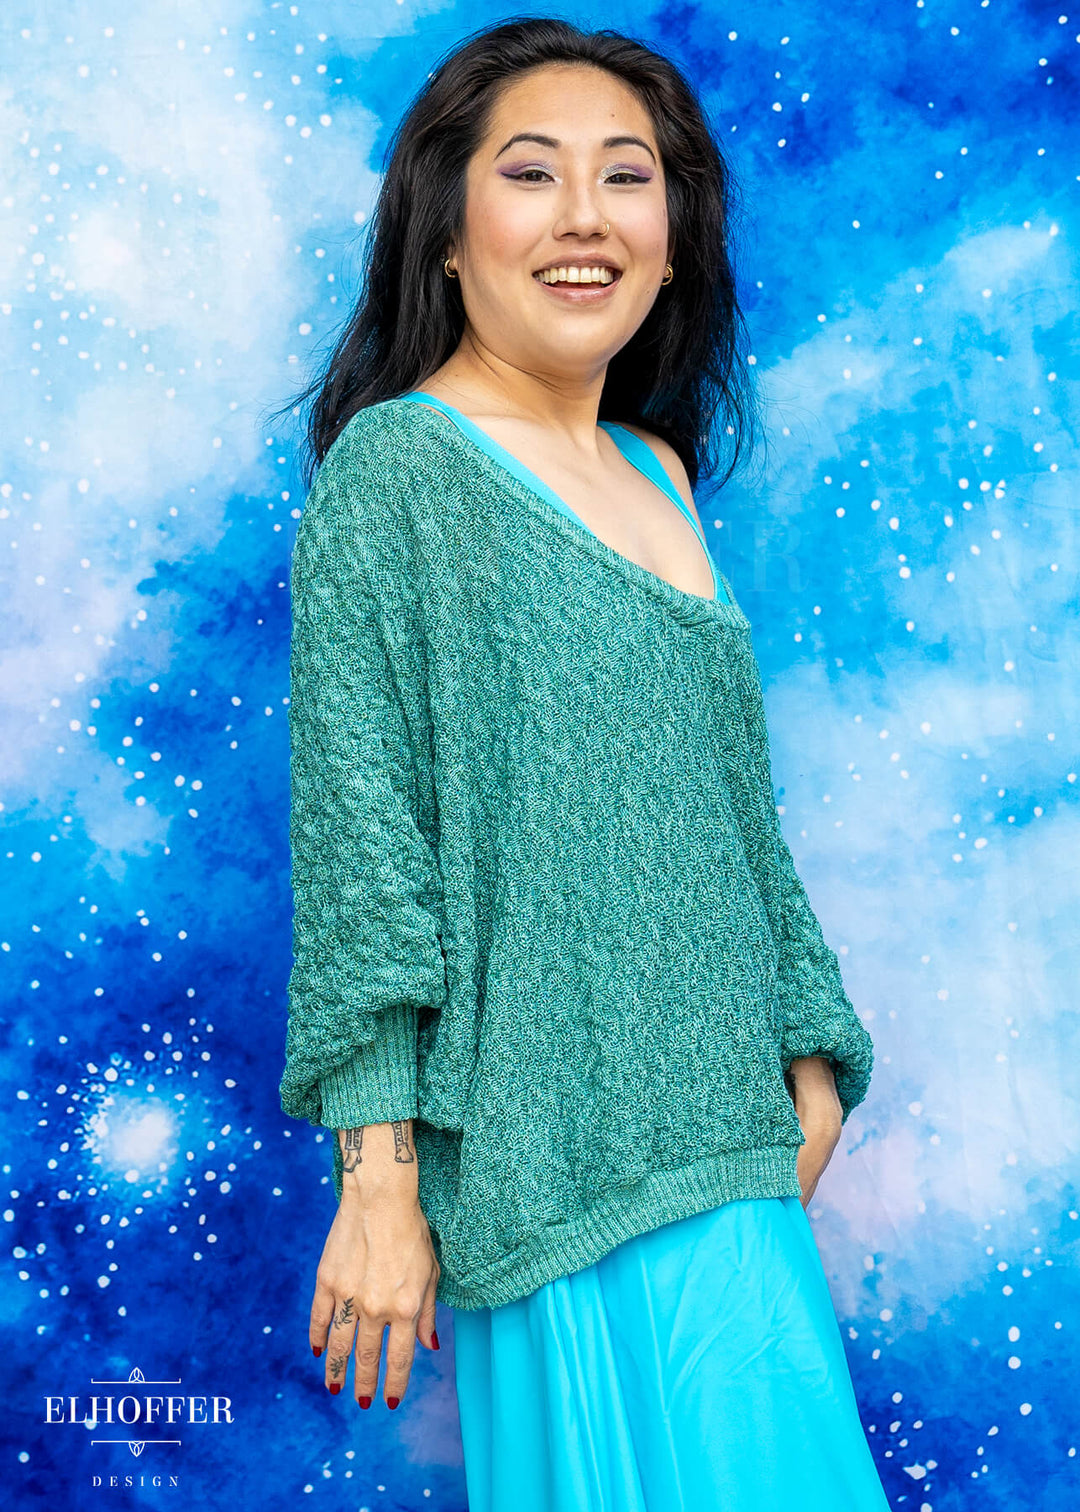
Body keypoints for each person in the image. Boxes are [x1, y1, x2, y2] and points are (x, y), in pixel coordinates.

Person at [279, 17, 891, 1511]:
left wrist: (814, 1049)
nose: (584, 217)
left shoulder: (659, 471)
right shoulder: (396, 471)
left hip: (732, 1147)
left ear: (673, 242)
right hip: (552, 1167)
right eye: (530, 173)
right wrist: (380, 1182)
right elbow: (365, 844)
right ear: (445, 232)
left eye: (626, 177)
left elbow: (731, 818)